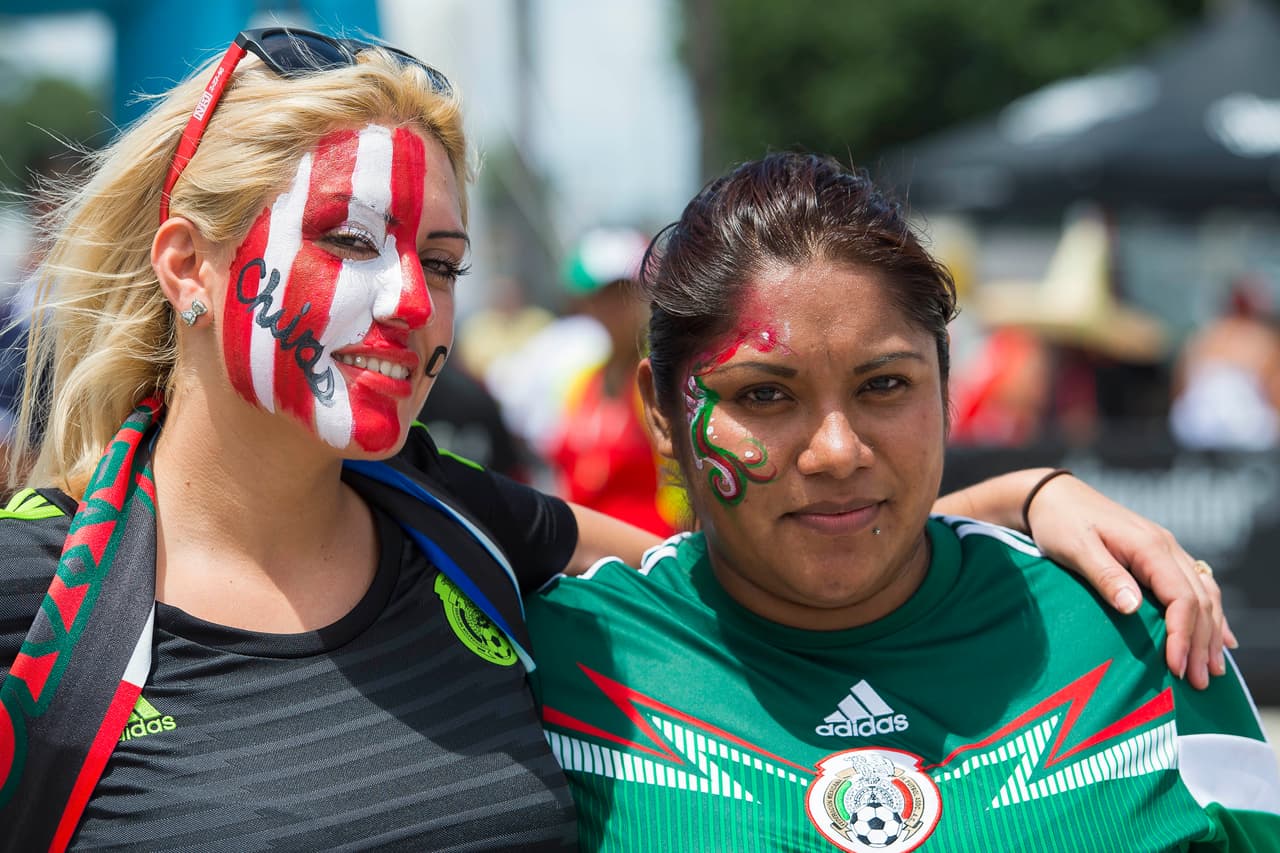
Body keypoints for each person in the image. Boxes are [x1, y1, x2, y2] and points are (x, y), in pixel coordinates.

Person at [0, 27, 1231, 852]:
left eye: (442, 261)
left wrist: (1023, 502)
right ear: (187, 264)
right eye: (350, 242)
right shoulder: (35, 595)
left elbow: (759, 563)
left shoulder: (463, 532)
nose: (410, 301)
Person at [526, 153, 1280, 851]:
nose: (838, 451)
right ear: (661, 414)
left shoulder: (1141, 640)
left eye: (884, 384)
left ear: (946, 386)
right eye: (764, 394)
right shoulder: (556, 664)